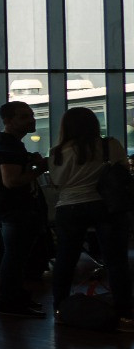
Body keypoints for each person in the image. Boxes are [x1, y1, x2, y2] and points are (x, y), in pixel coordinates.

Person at [45, 107, 132, 329]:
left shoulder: (56, 152)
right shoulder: (109, 145)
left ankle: (60, 310)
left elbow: (56, 184)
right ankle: (125, 315)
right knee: (116, 261)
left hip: (69, 207)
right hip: (106, 206)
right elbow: (123, 172)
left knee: (65, 260)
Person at [0, 100, 49, 317]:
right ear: (8, 121)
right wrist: (39, 168)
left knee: (15, 255)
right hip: (14, 208)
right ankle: (10, 302)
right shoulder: (9, 145)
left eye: (31, 115)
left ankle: (15, 298)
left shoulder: (3, 142)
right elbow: (12, 181)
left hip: (5, 207)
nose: (31, 120)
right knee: (15, 256)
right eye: (24, 116)